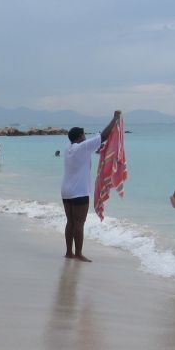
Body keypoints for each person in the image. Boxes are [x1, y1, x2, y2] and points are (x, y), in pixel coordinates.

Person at [61, 111, 121, 261]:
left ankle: (69, 252)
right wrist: (115, 118)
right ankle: (79, 253)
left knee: (70, 221)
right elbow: (104, 136)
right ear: (80, 138)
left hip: (66, 191)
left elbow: (94, 144)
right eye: (83, 135)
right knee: (80, 223)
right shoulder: (82, 148)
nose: (85, 137)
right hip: (79, 191)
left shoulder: (68, 148)